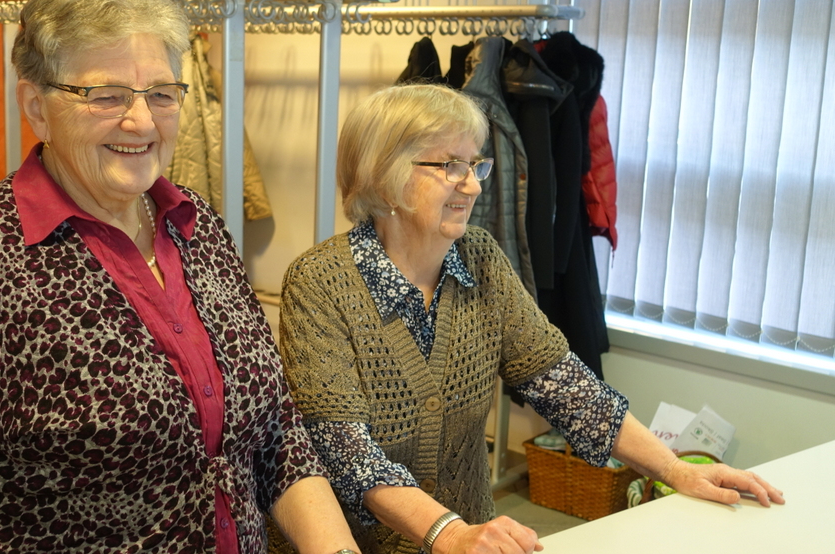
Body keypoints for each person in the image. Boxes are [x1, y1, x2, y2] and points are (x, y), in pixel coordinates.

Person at [0, 0, 360, 553]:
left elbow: (274, 432)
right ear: (37, 107)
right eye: (107, 96)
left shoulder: (196, 224)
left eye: (162, 93)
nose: (142, 122)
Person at [275, 84, 785, 554]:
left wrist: (676, 470)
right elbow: (345, 450)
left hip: (474, 541)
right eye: (450, 166)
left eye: (475, 165)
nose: (473, 186)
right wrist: (449, 533)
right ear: (384, 177)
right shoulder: (320, 283)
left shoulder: (479, 258)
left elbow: (563, 385)